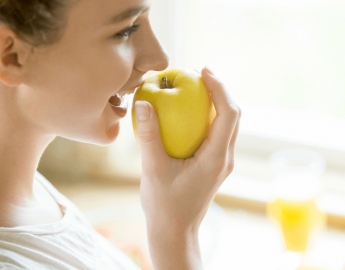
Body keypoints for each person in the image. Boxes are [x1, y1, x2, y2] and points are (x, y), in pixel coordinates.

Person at [0, 0, 241, 269]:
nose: (160, 59)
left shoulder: (29, 195)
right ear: (12, 56)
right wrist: (177, 236)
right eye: (125, 30)